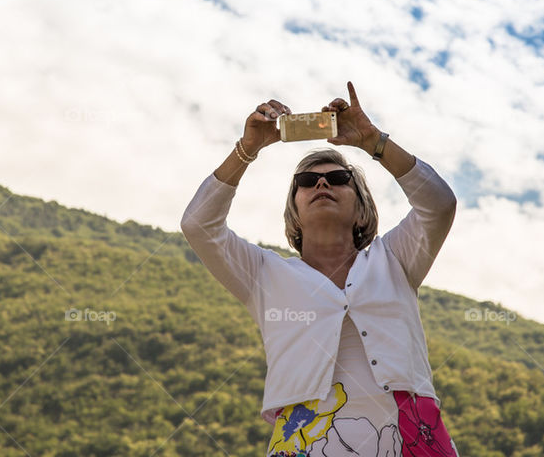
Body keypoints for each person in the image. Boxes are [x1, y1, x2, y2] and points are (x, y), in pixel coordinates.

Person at [180, 81, 459, 457]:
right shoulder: (262, 273)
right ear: (293, 210)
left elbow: (439, 204)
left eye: (339, 179)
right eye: (306, 182)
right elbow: (198, 225)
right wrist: (247, 150)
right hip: (306, 437)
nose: (322, 182)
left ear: (362, 208)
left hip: (412, 430)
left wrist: (373, 141)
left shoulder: (395, 258)